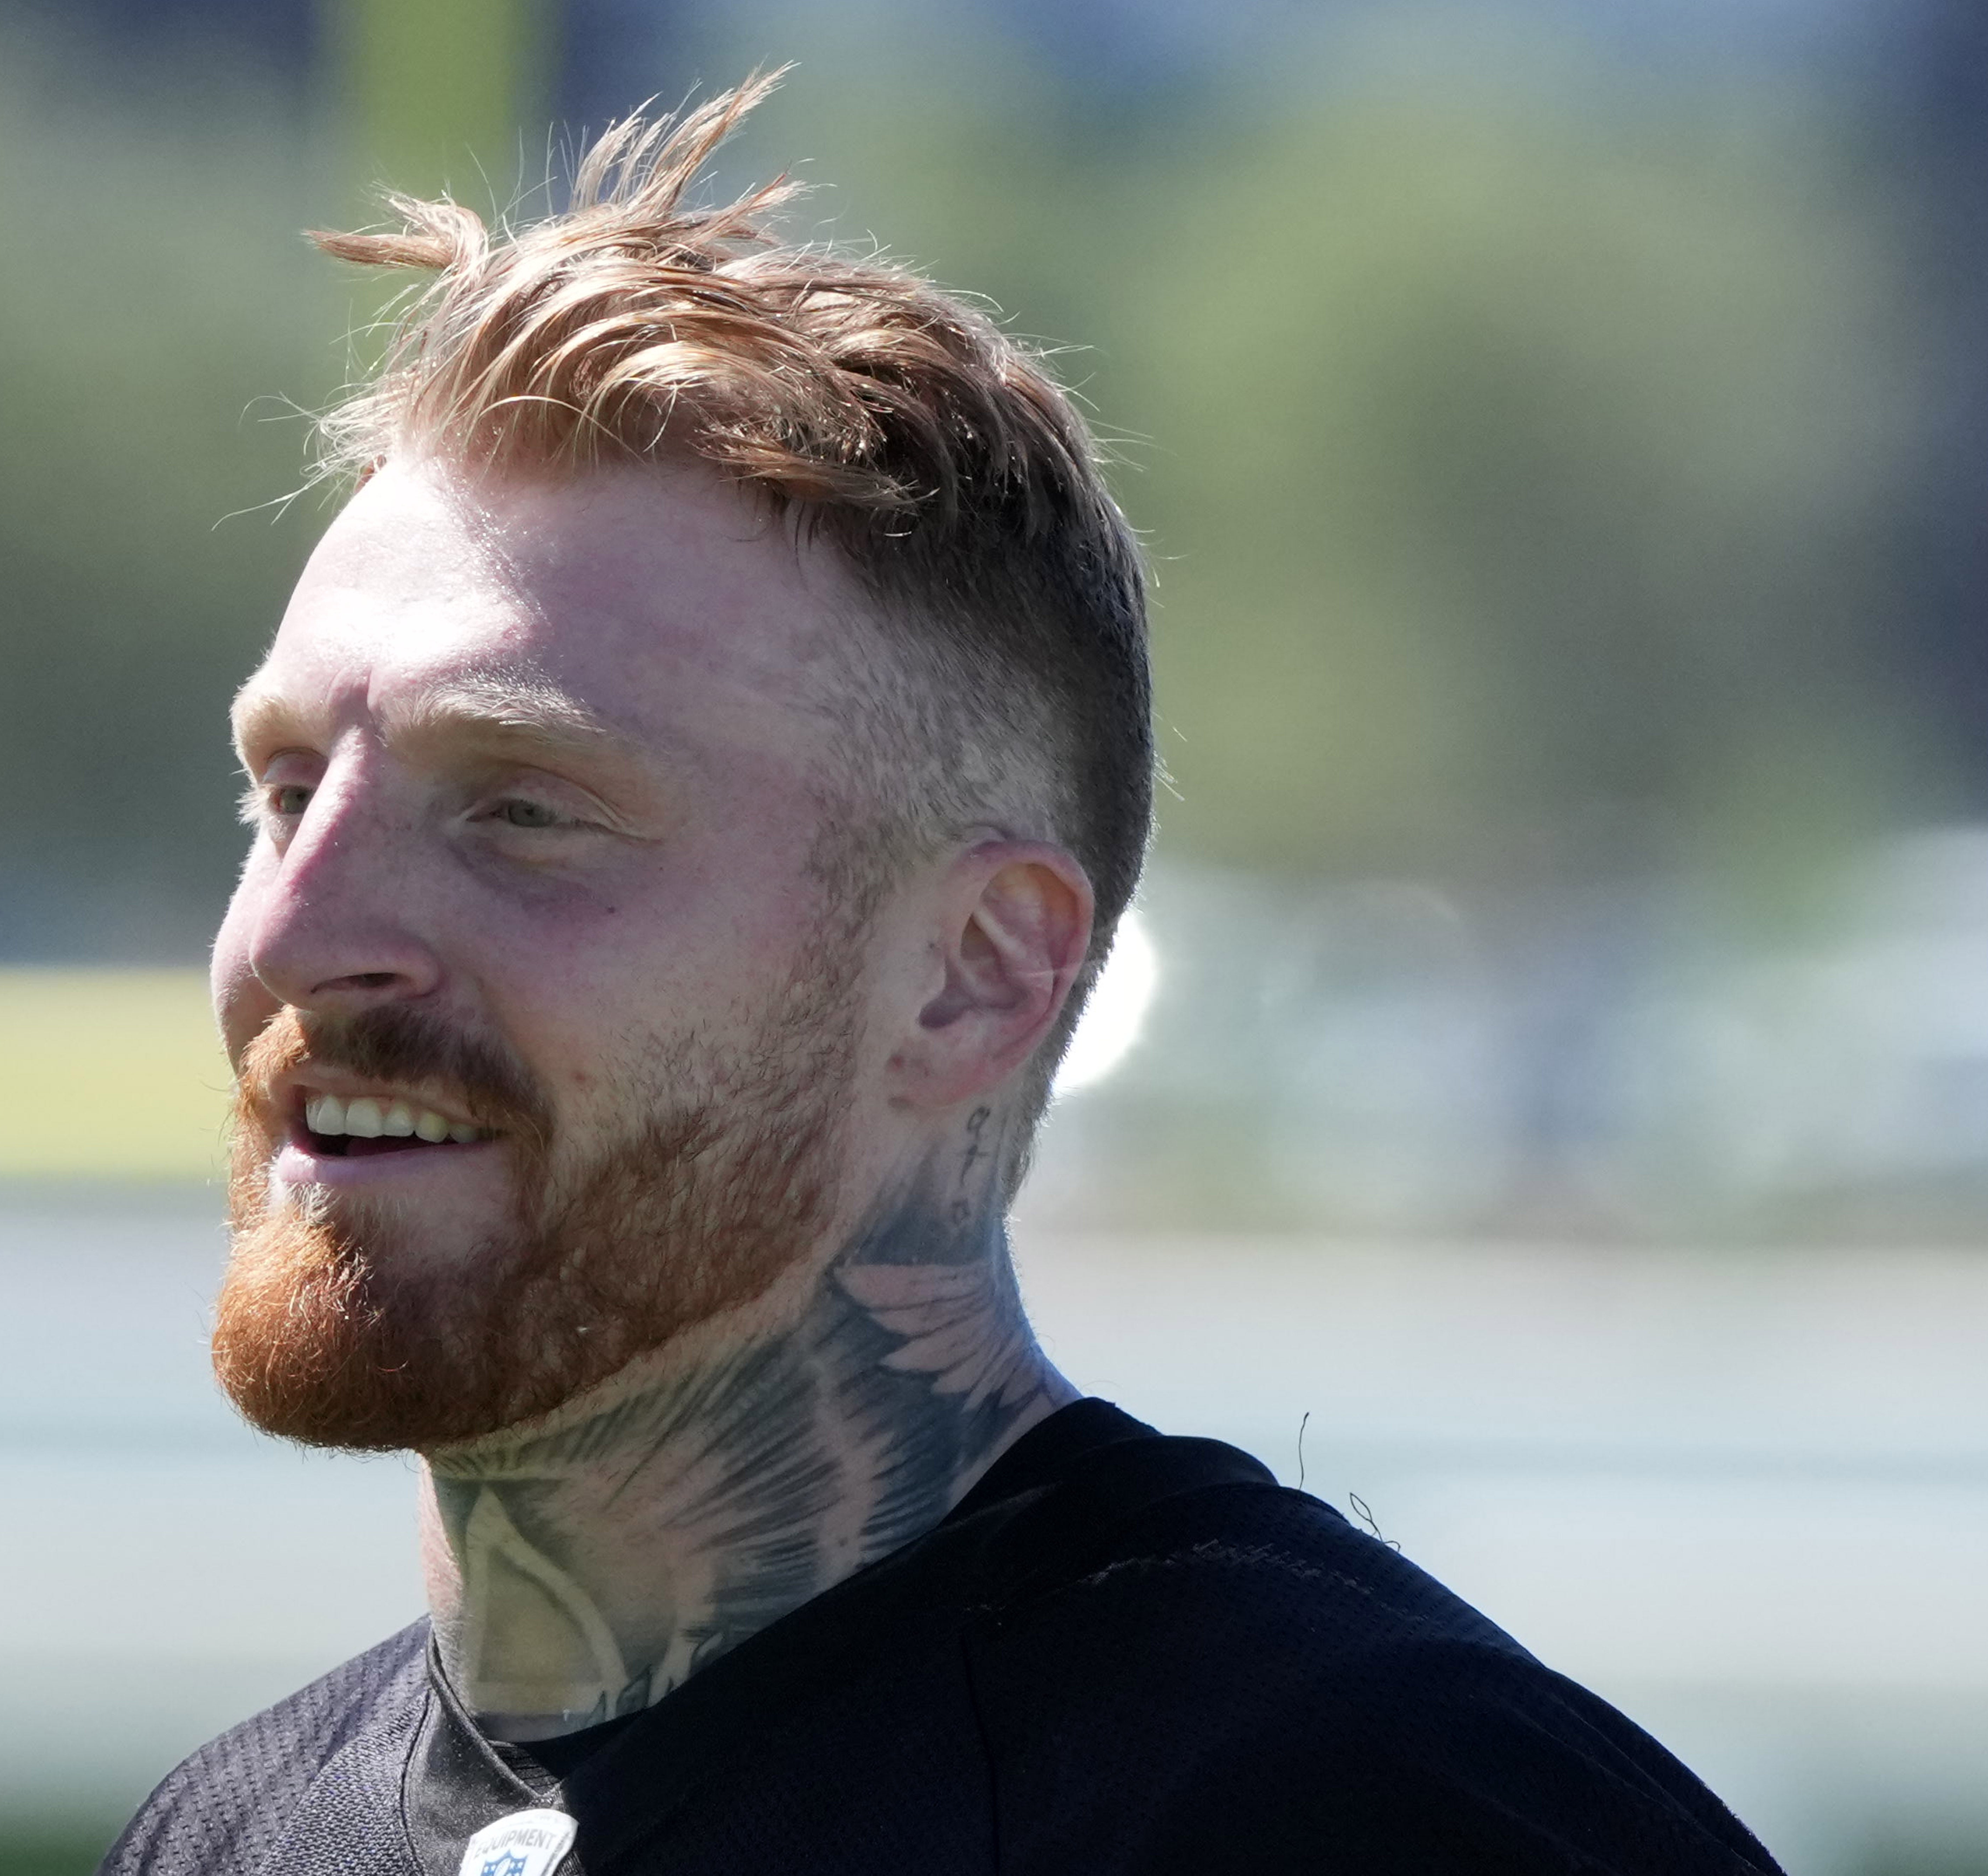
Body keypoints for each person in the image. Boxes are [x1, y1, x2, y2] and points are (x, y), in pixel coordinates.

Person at [104, 76, 1784, 1876]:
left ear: (977, 977)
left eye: (524, 809)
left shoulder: (1352, 1809)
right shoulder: (233, 1836)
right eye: (285, 792)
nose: (294, 932)